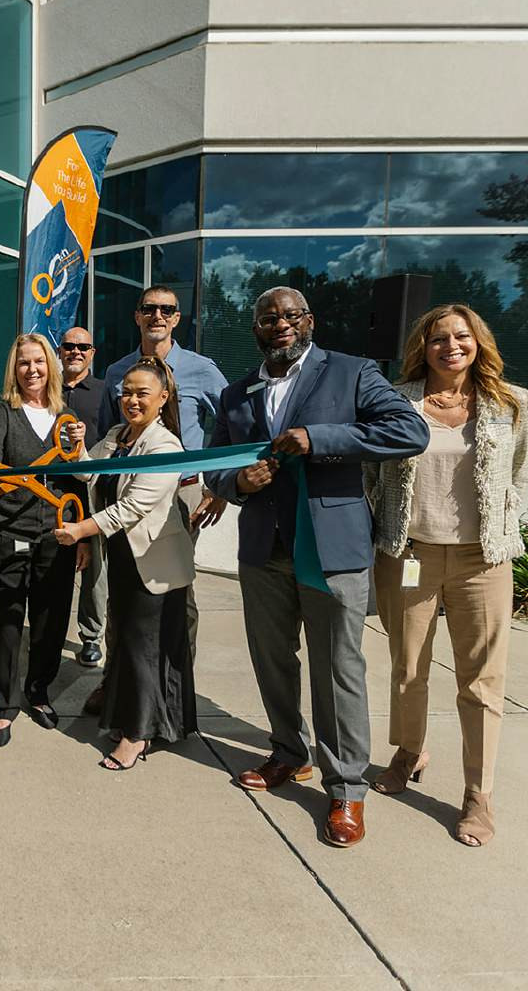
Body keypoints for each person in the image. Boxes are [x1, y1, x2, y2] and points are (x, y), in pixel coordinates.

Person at [204, 286, 429, 848]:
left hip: (331, 551)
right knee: (272, 662)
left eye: (290, 316)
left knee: (338, 670)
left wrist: (318, 439)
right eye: (267, 318)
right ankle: (288, 752)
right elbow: (214, 467)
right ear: (255, 327)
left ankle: (346, 788)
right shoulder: (236, 394)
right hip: (264, 551)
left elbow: (409, 431)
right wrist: (237, 484)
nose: (280, 324)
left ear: (309, 321)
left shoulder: (351, 373)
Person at [365, 304, 528, 847]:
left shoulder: (513, 403)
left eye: (462, 337)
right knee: (407, 667)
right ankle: (410, 752)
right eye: (439, 338)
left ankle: (478, 793)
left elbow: (518, 471)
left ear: (478, 342)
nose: (451, 346)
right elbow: (374, 470)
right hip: (409, 553)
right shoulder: (397, 400)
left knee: (481, 680)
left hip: (481, 558)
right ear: (424, 345)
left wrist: (499, 524)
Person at [88, 285, 228, 714]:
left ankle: (174, 693)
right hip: (128, 490)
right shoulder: (117, 371)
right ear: (137, 316)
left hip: (179, 493)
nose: (158, 316)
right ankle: (115, 681)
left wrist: (219, 485)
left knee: (174, 596)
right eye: (149, 308)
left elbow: (232, 423)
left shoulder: (201, 369)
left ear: (177, 317)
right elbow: (112, 440)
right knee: (123, 596)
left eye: (166, 309)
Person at [55, 357, 197, 769]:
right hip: (123, 557)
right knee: (129, 642)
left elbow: (132, 508)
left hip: (153, 562)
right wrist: (78, 448)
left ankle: (137, 734)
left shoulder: (164, 445)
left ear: (163, 398)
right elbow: (90, 474)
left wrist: (80, 531)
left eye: (142, 393)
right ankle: (149, 719)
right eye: (126, 393)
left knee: (144, 648)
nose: (132, 400)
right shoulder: (118, 436)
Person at [0, 333, 86, 747]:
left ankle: (38, 691)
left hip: (56, 534)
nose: (32, 370)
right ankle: (5, 704)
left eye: (39, 362)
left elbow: (80, 480)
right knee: (8, 619)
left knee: (51, 620)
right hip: (8, 532)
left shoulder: (66, 416)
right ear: (14, 369)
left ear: (51, 366)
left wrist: (82, 536)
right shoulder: (3, 414)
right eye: (23, 363)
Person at [58, 326, 106, 668]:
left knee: (93, 571)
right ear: (60, 351)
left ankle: (91, 636)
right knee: (53, 568)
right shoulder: (45, 390)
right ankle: (49, 632)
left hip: (92, 491)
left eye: (83, 347)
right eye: (70, 346)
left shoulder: (106, 393)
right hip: (53, 490)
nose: (76, 352)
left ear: (92, 352)